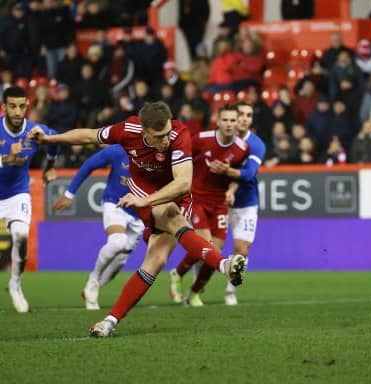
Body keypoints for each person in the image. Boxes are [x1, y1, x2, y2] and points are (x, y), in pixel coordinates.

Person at [28, 101, 246, 337]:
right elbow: (89, 135)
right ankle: (223, 264)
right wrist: (51, 139)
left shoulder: (178, 134)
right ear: (144, 131)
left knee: (156, 261)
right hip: (143, 193)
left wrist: (150, 199)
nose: (165, 141)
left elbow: (183, 183)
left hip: (174, 195)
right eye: (158, 136)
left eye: (166, 134)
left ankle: (109, 322)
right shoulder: (127, 130)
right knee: (172, 219)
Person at [168, 104, 249, 307]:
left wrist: (230, 190)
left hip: (220, 203)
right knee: (207, 246)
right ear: (218, 121)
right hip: (197, 198)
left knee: (215, 254)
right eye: (225, 120)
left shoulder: (241, 149)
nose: (229, 124)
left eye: (233, 120)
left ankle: (194, 293)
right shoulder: (201, 139)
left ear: (236, 122)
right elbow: (180, 159)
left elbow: (237, 176)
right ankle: (177, 274)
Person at [51, 145, 144, 310]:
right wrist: (69, 194)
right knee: (118, 242)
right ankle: (93, 281)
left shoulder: (159, 155)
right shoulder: (118, 151)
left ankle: (91, 289)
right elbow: (89, 164)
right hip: (115, 203)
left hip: (140, 212)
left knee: (122, 258)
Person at [194, 101, 265, 305]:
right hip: (216, 201)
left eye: (248, 115)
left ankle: (230, 291)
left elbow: (249, 174)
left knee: (242, 250)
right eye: (240, 114)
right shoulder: (213, 139)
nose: (244, 118)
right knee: (205, 248)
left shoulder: (255, 145)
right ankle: (196, 286)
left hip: (245, 203)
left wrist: (225, 171)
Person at [0, 86, 58, 313]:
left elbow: (54, 142)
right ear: (4, 107)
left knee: (21, 236)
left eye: (21, 106)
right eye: (12, 106)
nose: (17, 111)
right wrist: (7, 158)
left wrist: (50, 167)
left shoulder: (35, 130)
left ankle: (15, 284)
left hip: (17, 192)